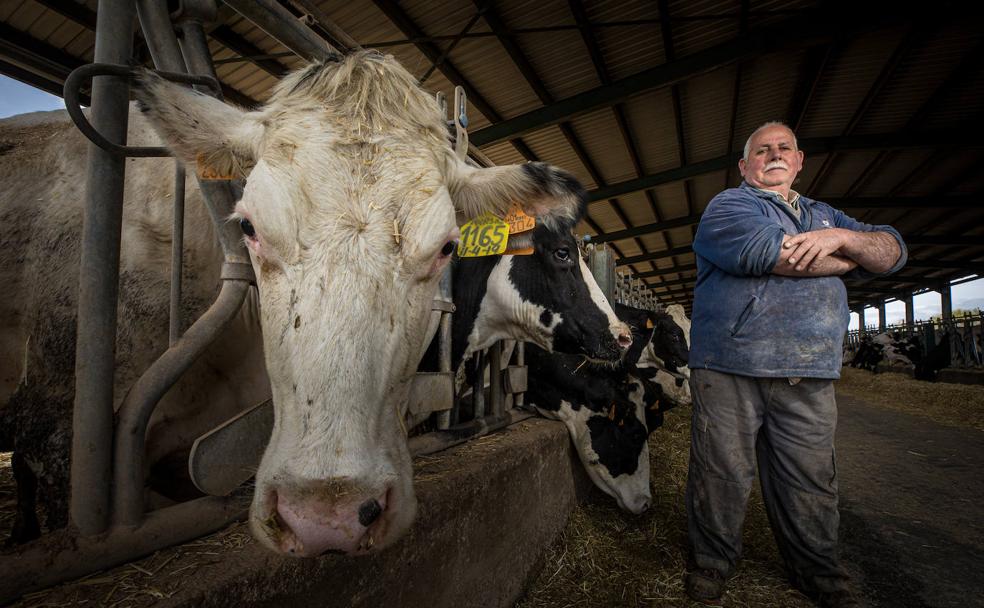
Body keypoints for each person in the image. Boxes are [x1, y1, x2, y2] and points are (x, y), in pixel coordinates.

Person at [683, 122, 906, 607]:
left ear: (800, 160)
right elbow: (772, 254)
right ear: (745, 166)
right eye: (762, 151)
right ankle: (712, 563)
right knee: (721, 473)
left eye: (784, 148)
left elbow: (890, 251)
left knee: (811, 479)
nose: (774, 155)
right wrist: (849, 254)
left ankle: (819, 573)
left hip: (809, 368)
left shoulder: (827, 215)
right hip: (729, 364)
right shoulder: (729, 206)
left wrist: (841, 234)